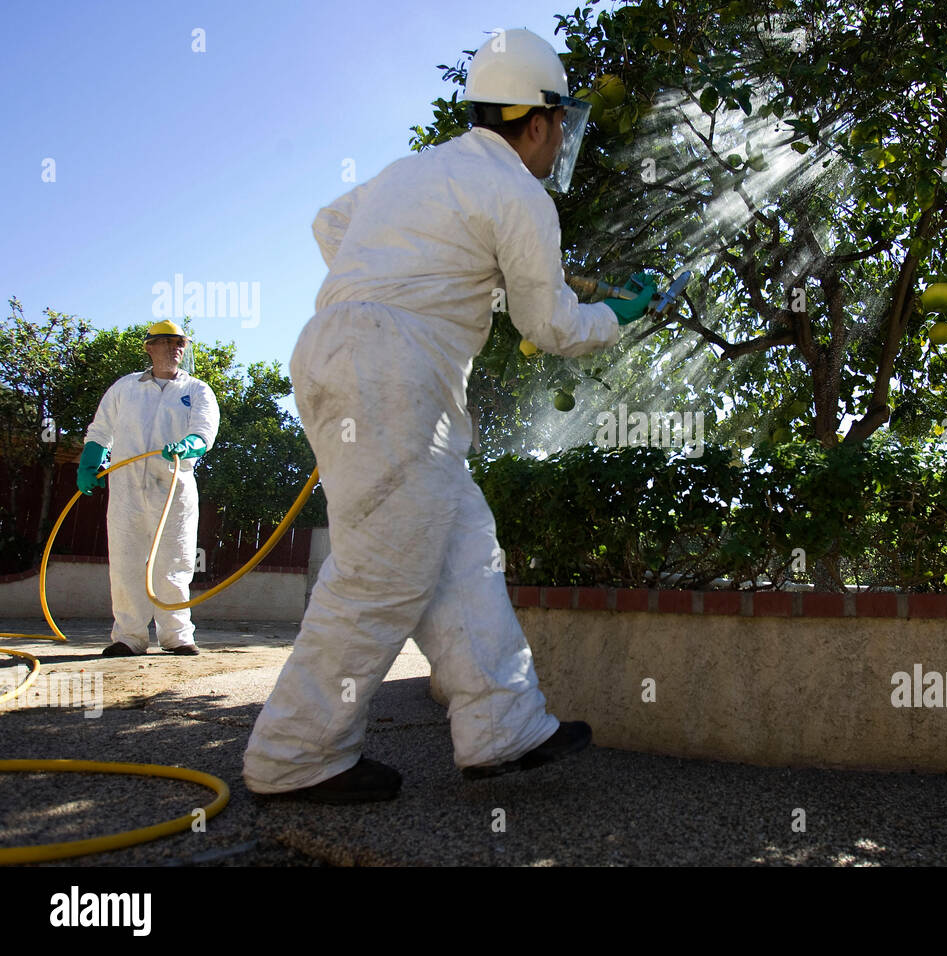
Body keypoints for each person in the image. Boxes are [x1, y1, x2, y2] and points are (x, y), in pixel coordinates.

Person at [242, 27, 657, 803]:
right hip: (394, 374)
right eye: (560, 123)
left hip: (338, 349)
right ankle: (294, 756)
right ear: (535, 122)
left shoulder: (417, 169)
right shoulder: (519, 195)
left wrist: (397, 282)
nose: (560, 138)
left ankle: (503, 723)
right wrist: (621, 312)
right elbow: (552, 327)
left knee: (463, 544)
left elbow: (331, 225)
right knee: (379, 574)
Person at [77, 319, 220, 657]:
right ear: (149, 347)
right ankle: (129, 637)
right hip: (127, 490)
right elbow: (100, 431)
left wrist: (191, 444)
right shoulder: (124, 388)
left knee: (174, 562)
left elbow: (205, 430)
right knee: (127, 562)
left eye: (180, 343)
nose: (176, 348)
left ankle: (176, 636)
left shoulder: (197, 390)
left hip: (174, 488)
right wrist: (89, 463)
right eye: (168, 342)